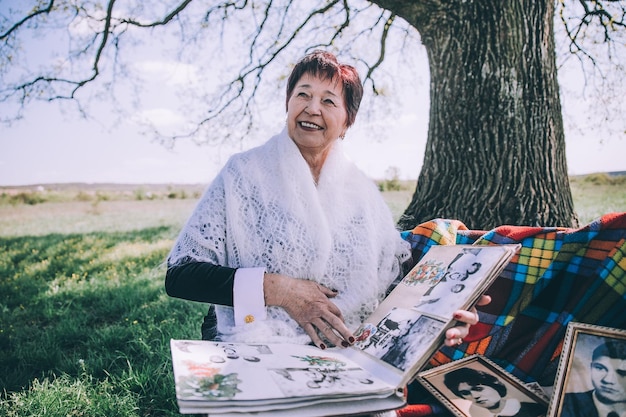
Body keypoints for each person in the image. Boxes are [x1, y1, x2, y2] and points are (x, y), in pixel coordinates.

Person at [165, 50, 485, 354]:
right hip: (252, 335)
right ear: (288, 104)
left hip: (346, 342)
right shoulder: (243, 174)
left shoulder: (362, 195)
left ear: (347, 121)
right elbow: (180, 276)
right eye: (303, 94)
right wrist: (280, 290)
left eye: (329, 100)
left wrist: (449, 304)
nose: (313, 108)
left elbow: (391, 279)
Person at [561, 339, 626, 417]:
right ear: (591, 367)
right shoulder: (565, 402)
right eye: (600, 368)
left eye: (622, 372)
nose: (607, 380)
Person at [443, 368, 545, 417]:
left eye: (478, 389)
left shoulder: (534, 409)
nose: (475, 396)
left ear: (494, 385)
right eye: (465, 393)